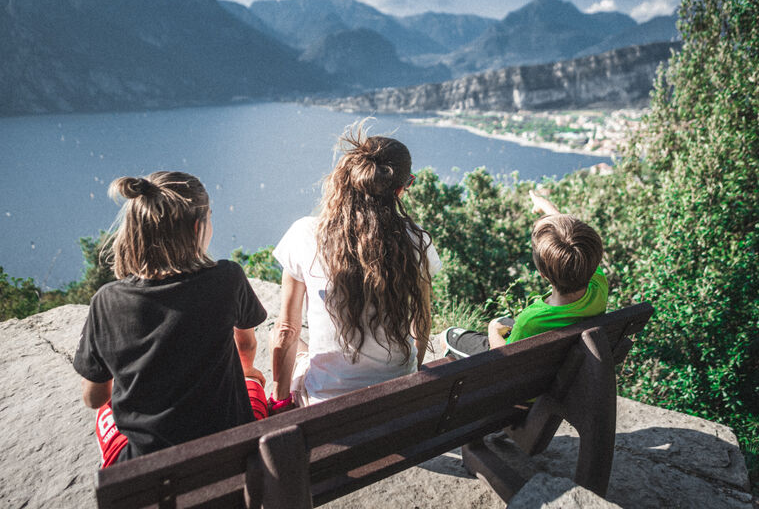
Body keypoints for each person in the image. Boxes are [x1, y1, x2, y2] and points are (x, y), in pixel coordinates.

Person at [73, 171, 269, 468]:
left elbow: (94, 398)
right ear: (197, 228)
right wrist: (247, 370)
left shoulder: (107, 300)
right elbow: (245, 345)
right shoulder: (227, 278)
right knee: (251, 381)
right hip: (231, 452)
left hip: (149, 467)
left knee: (105, 413)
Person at [270, 127, 442, 407]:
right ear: (400, 188)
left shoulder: (305, 233)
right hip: (396, 396)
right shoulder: (415, 240)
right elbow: (420, 325)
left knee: (287, 339)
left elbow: (286, 332)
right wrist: (411, 374)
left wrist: (280, 405)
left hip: (325, 404)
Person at [441, 188, 607, 357]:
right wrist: (547, 207)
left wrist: (492, 330)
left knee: (448, 336)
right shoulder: (599, 282)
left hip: (523, 371)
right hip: (565, 359)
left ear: (543, 274)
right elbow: (577, 245)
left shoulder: (530, 321)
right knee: (503, 322)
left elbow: (505, 360)